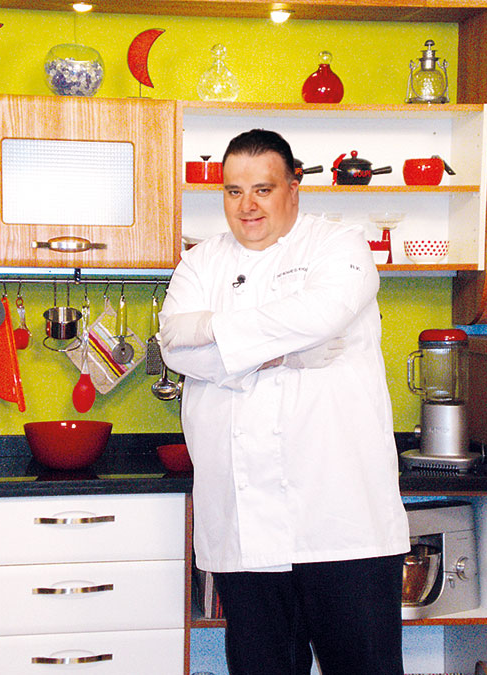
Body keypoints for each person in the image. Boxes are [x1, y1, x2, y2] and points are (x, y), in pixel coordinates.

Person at [158, 129, 409, 675]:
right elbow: (177, 350)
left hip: (343, 519)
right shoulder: (200, 263)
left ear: (294, 187)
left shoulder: (339, 246)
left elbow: (321, 315)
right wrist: (287, 352)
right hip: (244, 525)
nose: (246, 206)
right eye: (233, 191)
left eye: (263, 189)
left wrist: (213, 332)